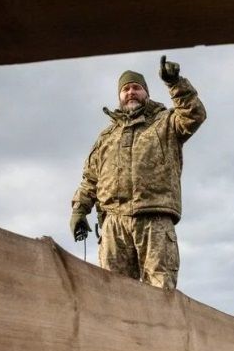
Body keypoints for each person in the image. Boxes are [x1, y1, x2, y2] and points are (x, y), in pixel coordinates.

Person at [69, 56, 206, 289]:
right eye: (125, 89)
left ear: (146, 92)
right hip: (113, 224)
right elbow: (90, 180)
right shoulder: (106, 137)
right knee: (113, 293)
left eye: (136, 87)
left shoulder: (166, 122)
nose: (131, 92)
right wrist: (79, 211)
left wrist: (175, 83)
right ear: (119, 97)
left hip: (155, 218)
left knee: (161, 291)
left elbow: (194, 115)